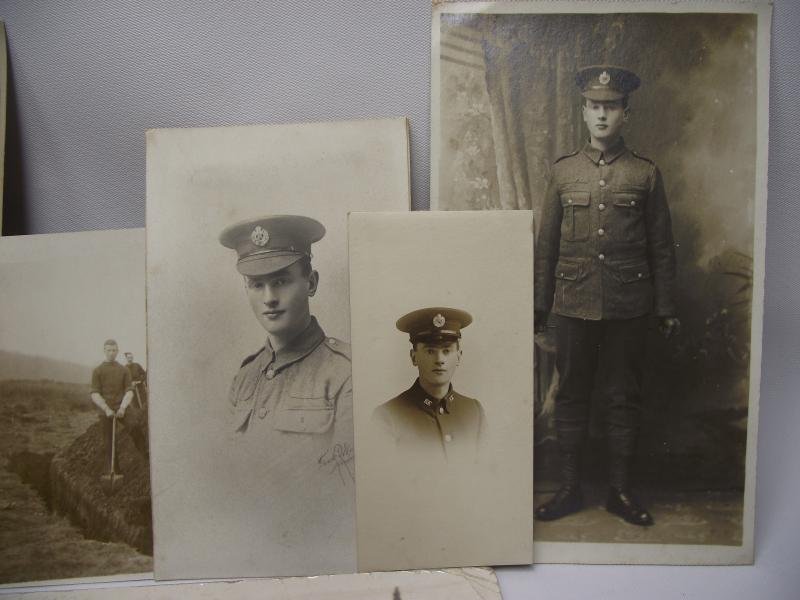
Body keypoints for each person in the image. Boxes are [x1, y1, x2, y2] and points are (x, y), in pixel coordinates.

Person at [533, 65, 680, 526]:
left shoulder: (645, 174)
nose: (602, 115)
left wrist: (666, 308)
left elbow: (661, 247)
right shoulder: (562, 174)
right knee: (572, 396)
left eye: (611, 107)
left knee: (622, 398)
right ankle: (570, 489)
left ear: (625, 114)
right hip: (573, 304)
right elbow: (546, 248)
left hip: (628, 306)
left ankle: (619, 492)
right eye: (594, 107)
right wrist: (539, 309)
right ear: (583, 112)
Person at [219, 213, 354, 493]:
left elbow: (344, 490)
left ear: (311, 283)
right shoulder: (244, 377)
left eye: (280, 281)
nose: (269, 298)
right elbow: (228, 479)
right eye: (257, 284)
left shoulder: (347, 372)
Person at [373, 307, 484, 460]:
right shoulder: (388, 417)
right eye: (430, 351)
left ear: (459, 357)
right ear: (413, 357)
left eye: (446, 351)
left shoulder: (474, 413)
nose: (439, 360)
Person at [90, 339, 134, 471]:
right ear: (104, 351)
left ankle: (146, 456)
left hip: (122, 408)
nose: (111, 353)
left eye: (114, 350)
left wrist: (122, 408)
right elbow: (94, 394)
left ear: (118, 351)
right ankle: (114, 471)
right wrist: (106, 409)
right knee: (108, 442)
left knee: (135, 426)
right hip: (106, 411)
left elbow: (130, 391)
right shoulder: (97, 371)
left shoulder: (124, 370)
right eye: (109, 350)